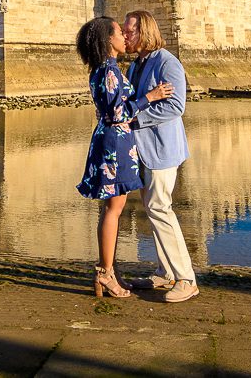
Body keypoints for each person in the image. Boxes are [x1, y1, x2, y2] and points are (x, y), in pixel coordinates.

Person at [74, 16, 172, 298]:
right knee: (114, 210)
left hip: (112, 140)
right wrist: (150, 97)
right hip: (115, 142)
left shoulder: (106, 69)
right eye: (119, 33)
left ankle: (108, 271)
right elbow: (118, 113)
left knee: (111, 210)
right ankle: (105, 274)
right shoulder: (109, 71)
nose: (124, 37)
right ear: (108, 40)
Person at [122, 9, 200, 303]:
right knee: (153, 208)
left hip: (163, 149)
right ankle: (165, 272)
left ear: (145, 32)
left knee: (159, 208)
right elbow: (133, 102)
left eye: (130, 31)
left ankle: (186, 278)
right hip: (143, 150)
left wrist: (136, 119)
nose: (125, 36)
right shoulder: (136, 66)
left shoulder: (168, 63)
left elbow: (176, 106)